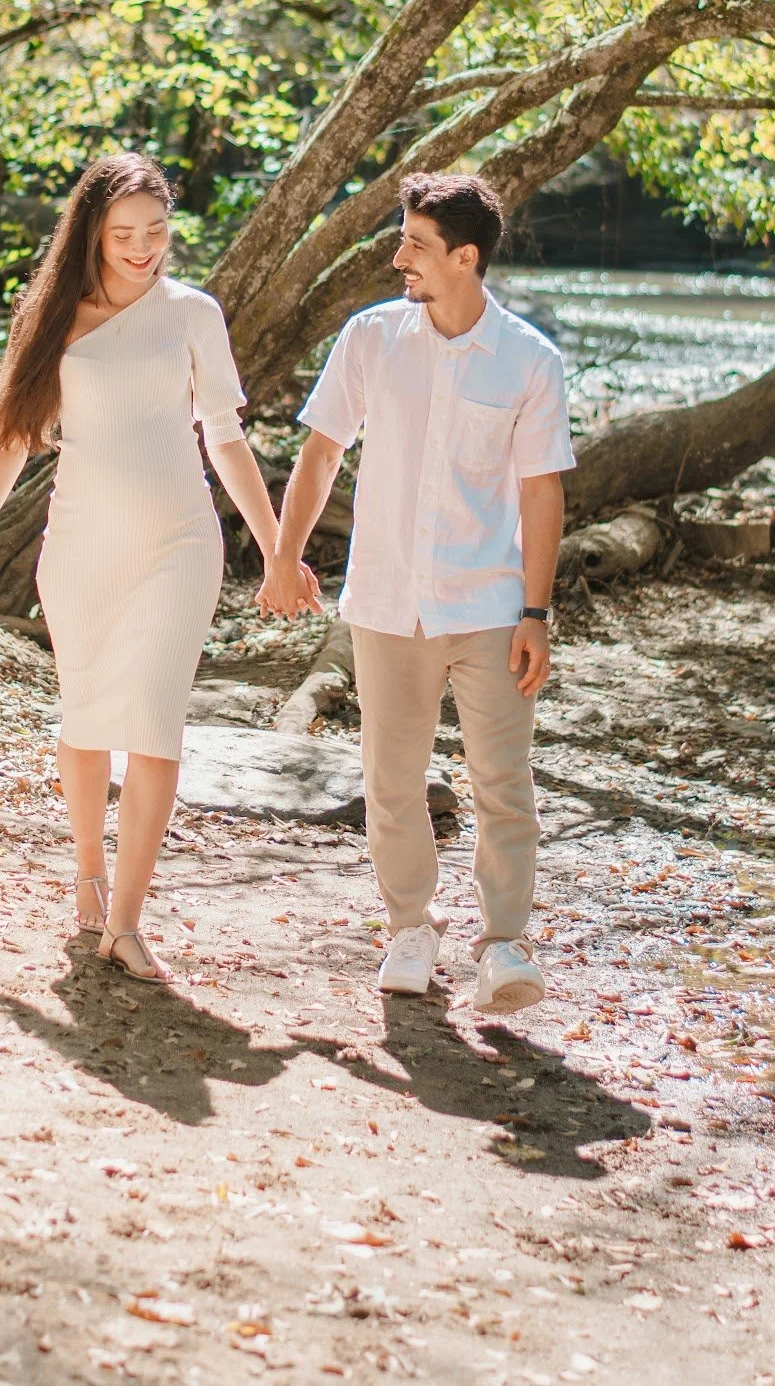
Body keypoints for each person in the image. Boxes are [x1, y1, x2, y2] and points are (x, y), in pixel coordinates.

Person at [0, 153, 315, 983]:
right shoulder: (55, 318)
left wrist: (280, 548)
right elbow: (8, 444)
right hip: (79, 548)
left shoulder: (194, 314)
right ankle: (88, 878)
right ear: (92, 236)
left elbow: (225, 436)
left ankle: (128, 922)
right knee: (86, 720)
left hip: (180, 541)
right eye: (124, 236)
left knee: (154, 722)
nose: (144, 249)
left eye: (156, 232)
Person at [259, 172, 572, 1015]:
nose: (399, 257)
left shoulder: (530, 361)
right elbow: (321, 454)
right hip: (389, 602)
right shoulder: (371, 339)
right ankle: (410, 927)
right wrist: (283, 558)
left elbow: (543, 492)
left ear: (465, 258)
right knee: (390, 779)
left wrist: (537, 614)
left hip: (490, 608)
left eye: (416, 246)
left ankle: (504, 944)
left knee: (502, 781)